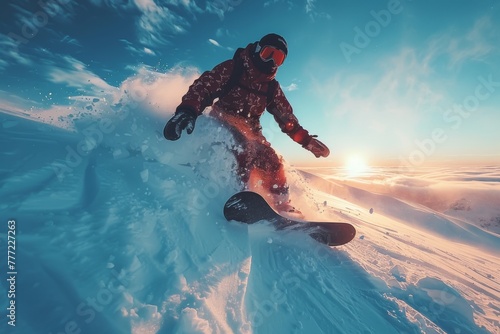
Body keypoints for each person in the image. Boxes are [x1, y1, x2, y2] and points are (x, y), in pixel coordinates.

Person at [164, 33, 330, 213]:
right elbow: (204, 87)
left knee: (271, 160)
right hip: (222, 119)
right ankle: (237, 196)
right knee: (243, 149)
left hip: (251, 129)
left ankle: (281, 205)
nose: (271, 62)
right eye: (269, 54)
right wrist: (188, 111)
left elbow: (287, 119)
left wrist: (307, 141)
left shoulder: (271, 87)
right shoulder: (234, 68)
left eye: (278, 58)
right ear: (258, 50)